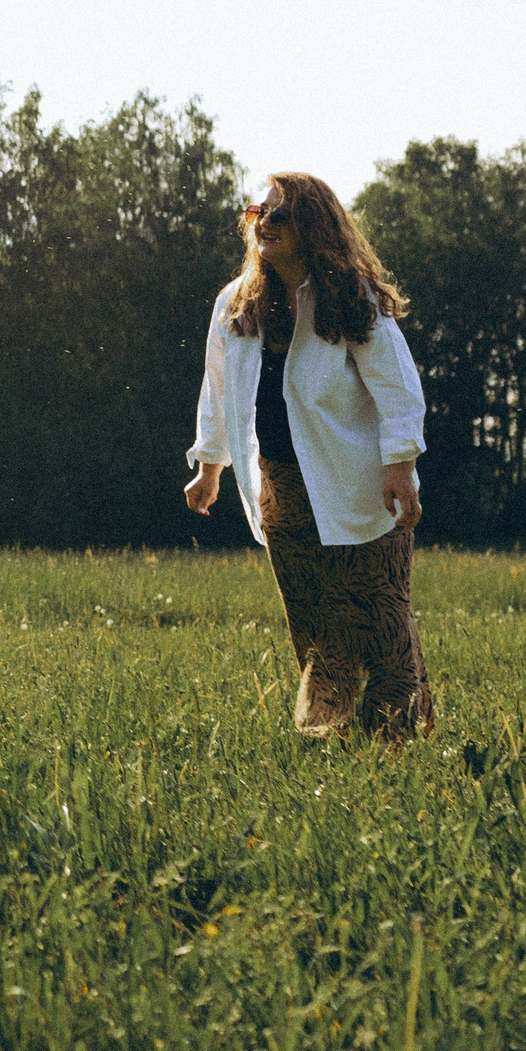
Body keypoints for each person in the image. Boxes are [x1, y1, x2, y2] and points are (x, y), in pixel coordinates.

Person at [185, 172, 433, 741]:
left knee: (382, 619)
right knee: (316, 623)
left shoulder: (352, 296)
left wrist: (400, 464)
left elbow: (397, 387)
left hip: (358, 483)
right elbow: (218, 390)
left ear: (314, 227)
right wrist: (210, 465)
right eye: (258, 213)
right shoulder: (236, 304)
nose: (264, 223)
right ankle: (331, 741)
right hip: (280, 486)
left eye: (280, 215)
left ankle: (396, 750)